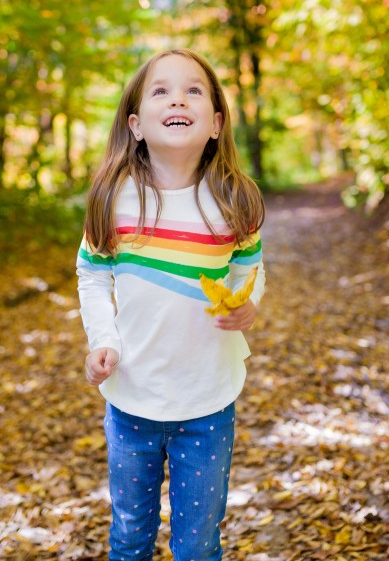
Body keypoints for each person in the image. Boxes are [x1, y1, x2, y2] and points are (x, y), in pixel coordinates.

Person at [76, 48, 266, 560]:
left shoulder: (234, 201)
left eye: (193, 90)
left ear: (215, 123)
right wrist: (103, 341)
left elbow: (250, 271)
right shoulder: (112, 200)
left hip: (207, 401)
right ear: (135, 124)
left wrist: (248, 308)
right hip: (132, 397)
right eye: (161, 90)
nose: (177, 98)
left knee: (199, 544)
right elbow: (92, 277)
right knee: (130, 536)